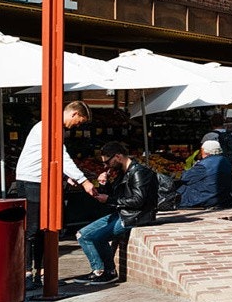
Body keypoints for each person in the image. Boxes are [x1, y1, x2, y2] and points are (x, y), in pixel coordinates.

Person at [13, 100, 95, 286]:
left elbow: (51, 158)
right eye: (80, 121)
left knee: (43, 229)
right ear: (74, 114)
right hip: (32, 181)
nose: (78, 126)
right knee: (33, 229)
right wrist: (84, 181)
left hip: (38, 180)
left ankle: (39, 273)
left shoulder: (48, 126)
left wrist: (66, 178)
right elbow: (61, 155)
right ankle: (26, 274)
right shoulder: (50, 127)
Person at [74, 141, 158, 285]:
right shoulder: (123, 172)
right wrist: (104, 185)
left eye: (107, 162)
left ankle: (109, 272)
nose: (106, 166)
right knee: (82, 235)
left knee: (97, 237)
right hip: (123, 212)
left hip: (134, 215)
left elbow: (138, 200)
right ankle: (97, 270)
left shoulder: (139, 172)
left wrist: (109, 199)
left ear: (118, 156)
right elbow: (116, 195)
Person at [177, 140, 232, 209]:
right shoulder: (226, 161)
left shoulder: (203, 165)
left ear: (204, 151)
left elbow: (184, 177)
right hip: (223, 198)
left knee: (181, 189)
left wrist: (194, 166)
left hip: (205, 199)